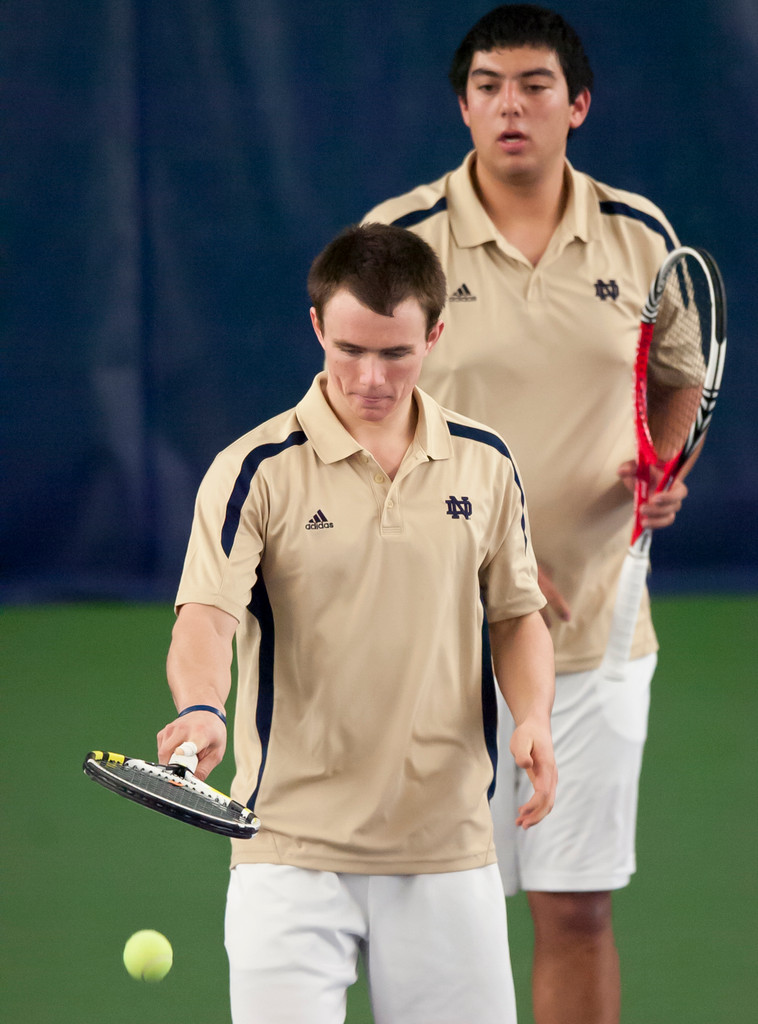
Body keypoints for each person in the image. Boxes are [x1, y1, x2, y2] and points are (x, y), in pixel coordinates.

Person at [363, 6, 689, 1024]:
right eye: (491, 85)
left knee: (575, 906)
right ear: (462, 106)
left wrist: (662, 463)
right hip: (433, 638)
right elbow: (354, 420)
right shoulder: (399, 242)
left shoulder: (639, 240)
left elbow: (676, 378)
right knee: (430, 911)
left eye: (535, 84)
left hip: (594, 630)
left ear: (576, 105)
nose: (512, 104)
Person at [157, 222, 557, 1024]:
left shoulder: (485, 461)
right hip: (290, 854)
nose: (371, 378)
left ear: (436, 335)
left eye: (397, 354)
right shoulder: (252, 471)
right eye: (349, 350)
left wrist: (535, 719)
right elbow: (205, 615)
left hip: (446, 849)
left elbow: (517, 615)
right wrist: (203, 705)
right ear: (317, 328)